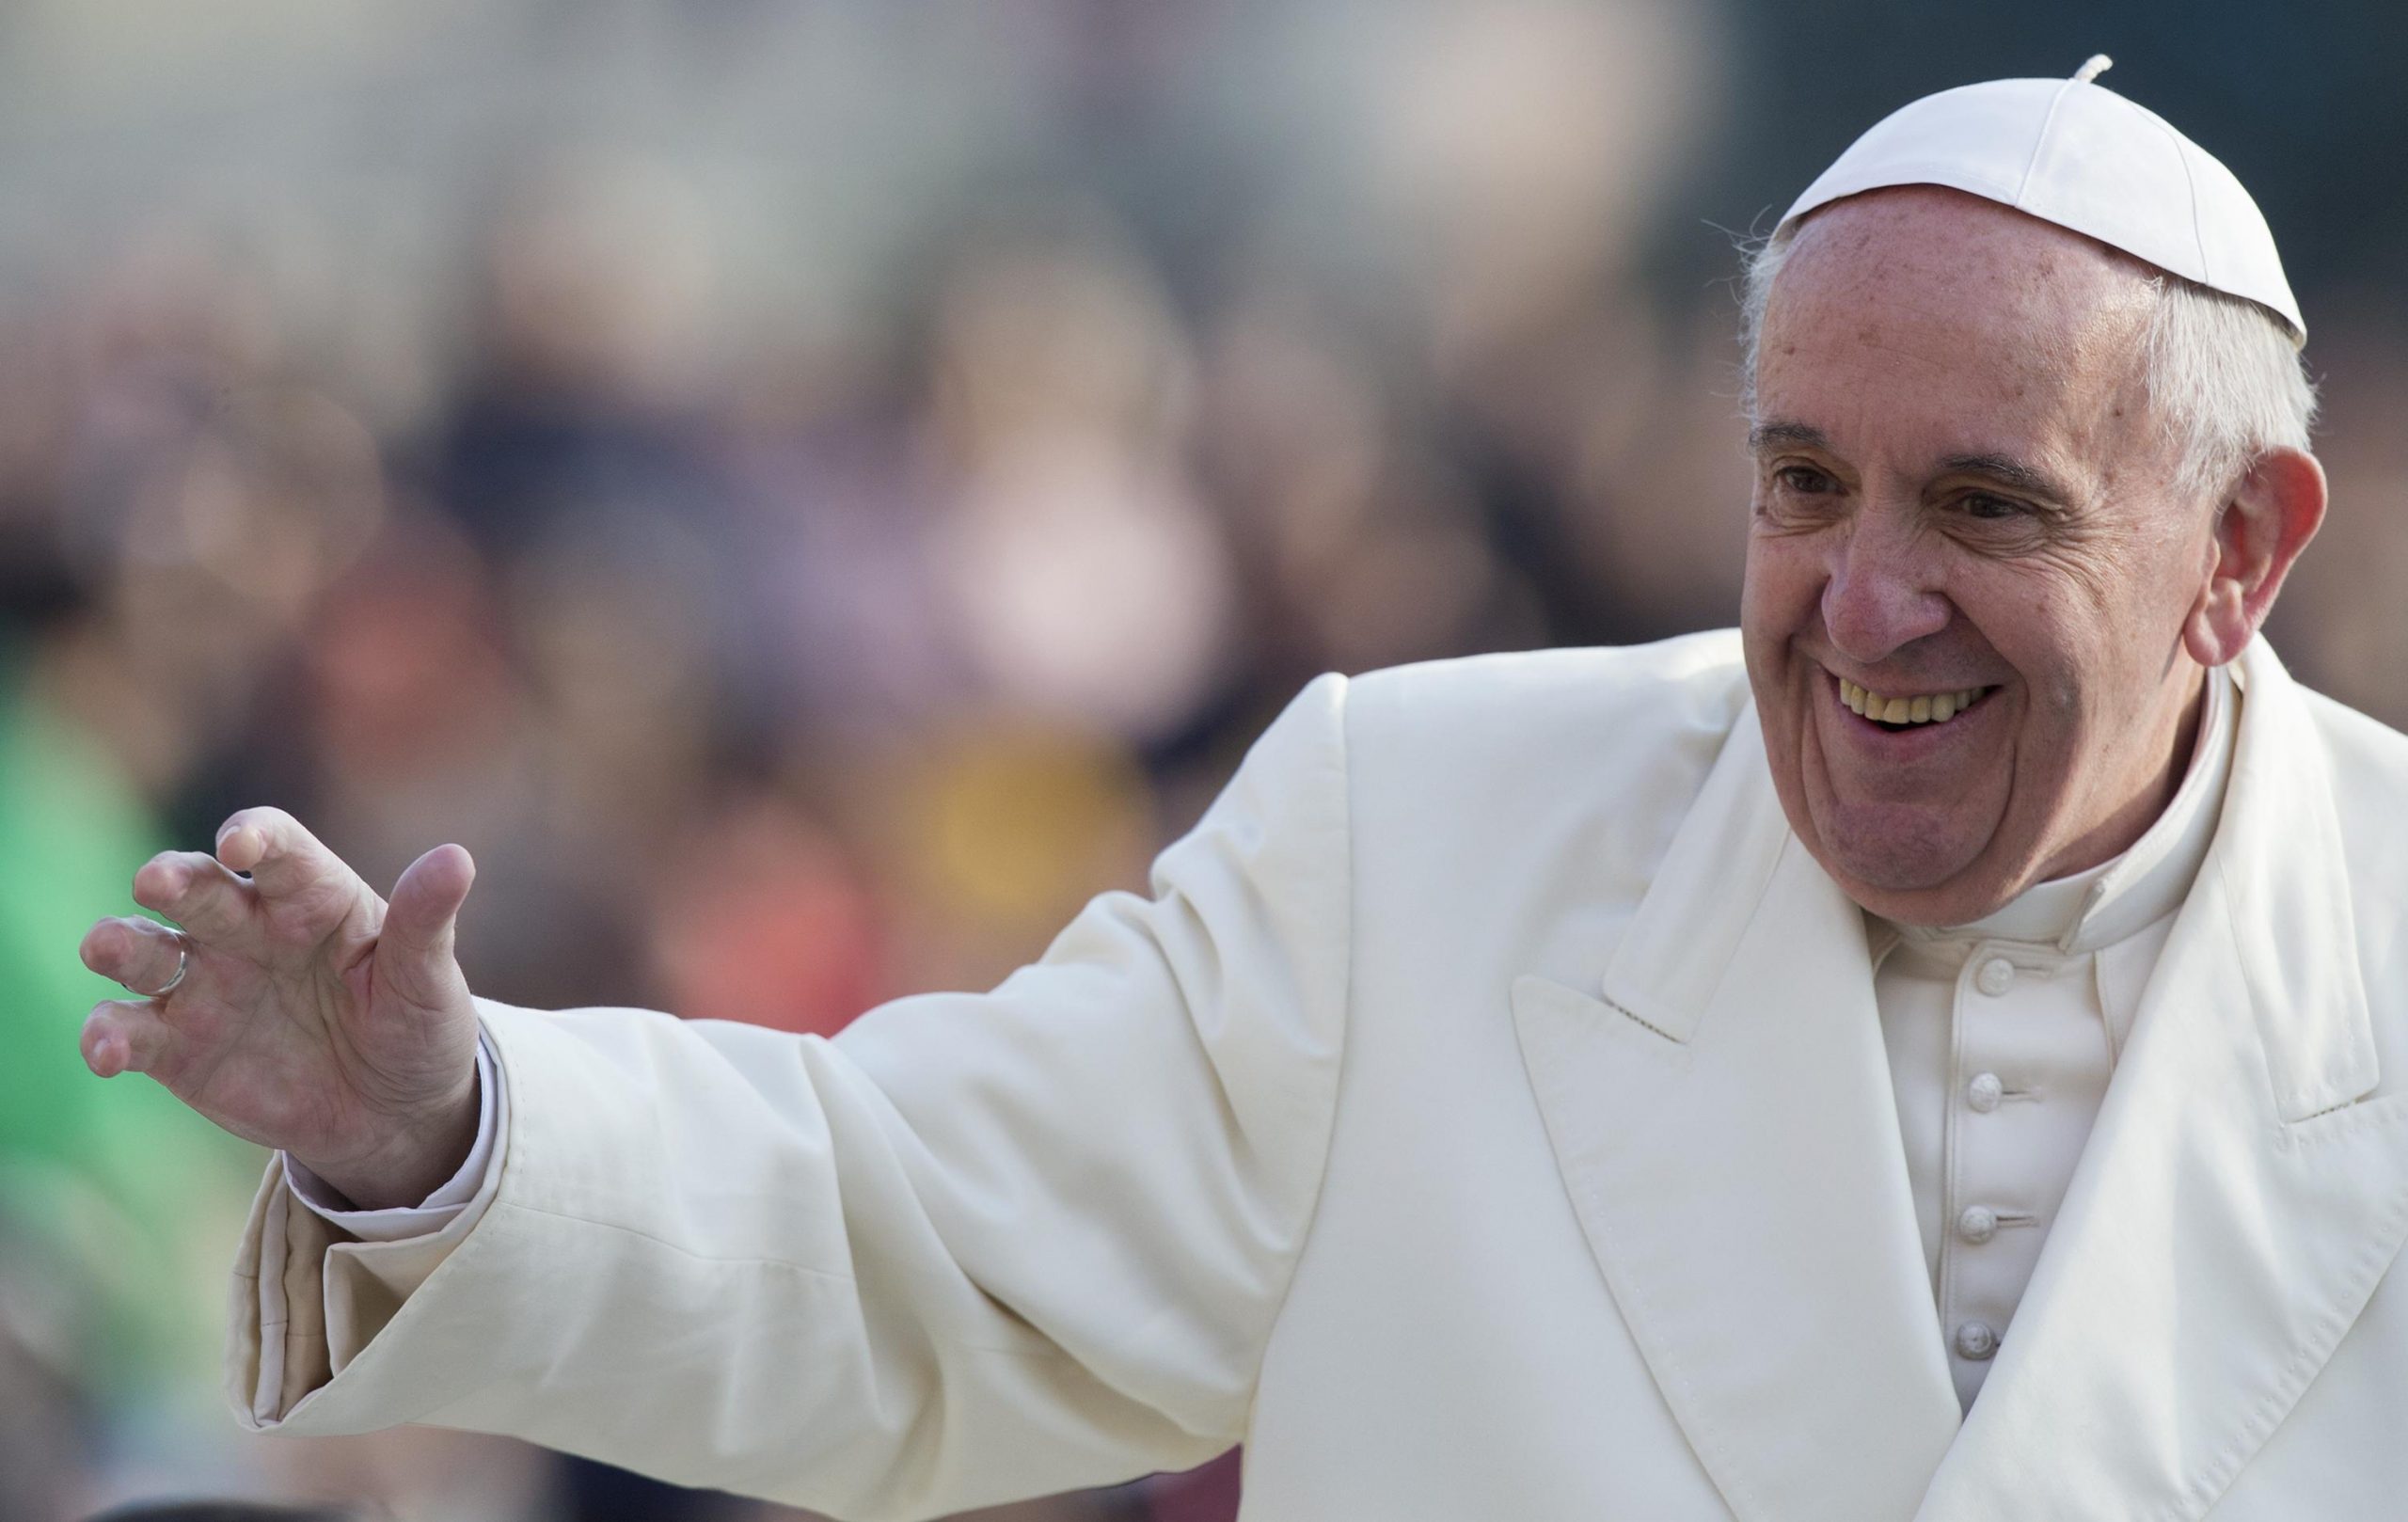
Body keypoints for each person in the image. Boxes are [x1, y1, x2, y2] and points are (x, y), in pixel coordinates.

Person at [73, 60, 2408, 1521]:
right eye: (1801, 483)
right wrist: (440, 1123)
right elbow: (908, 1237)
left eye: (1984, 507)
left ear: (2238, 547)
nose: (1862, 603)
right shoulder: (1429, 830)